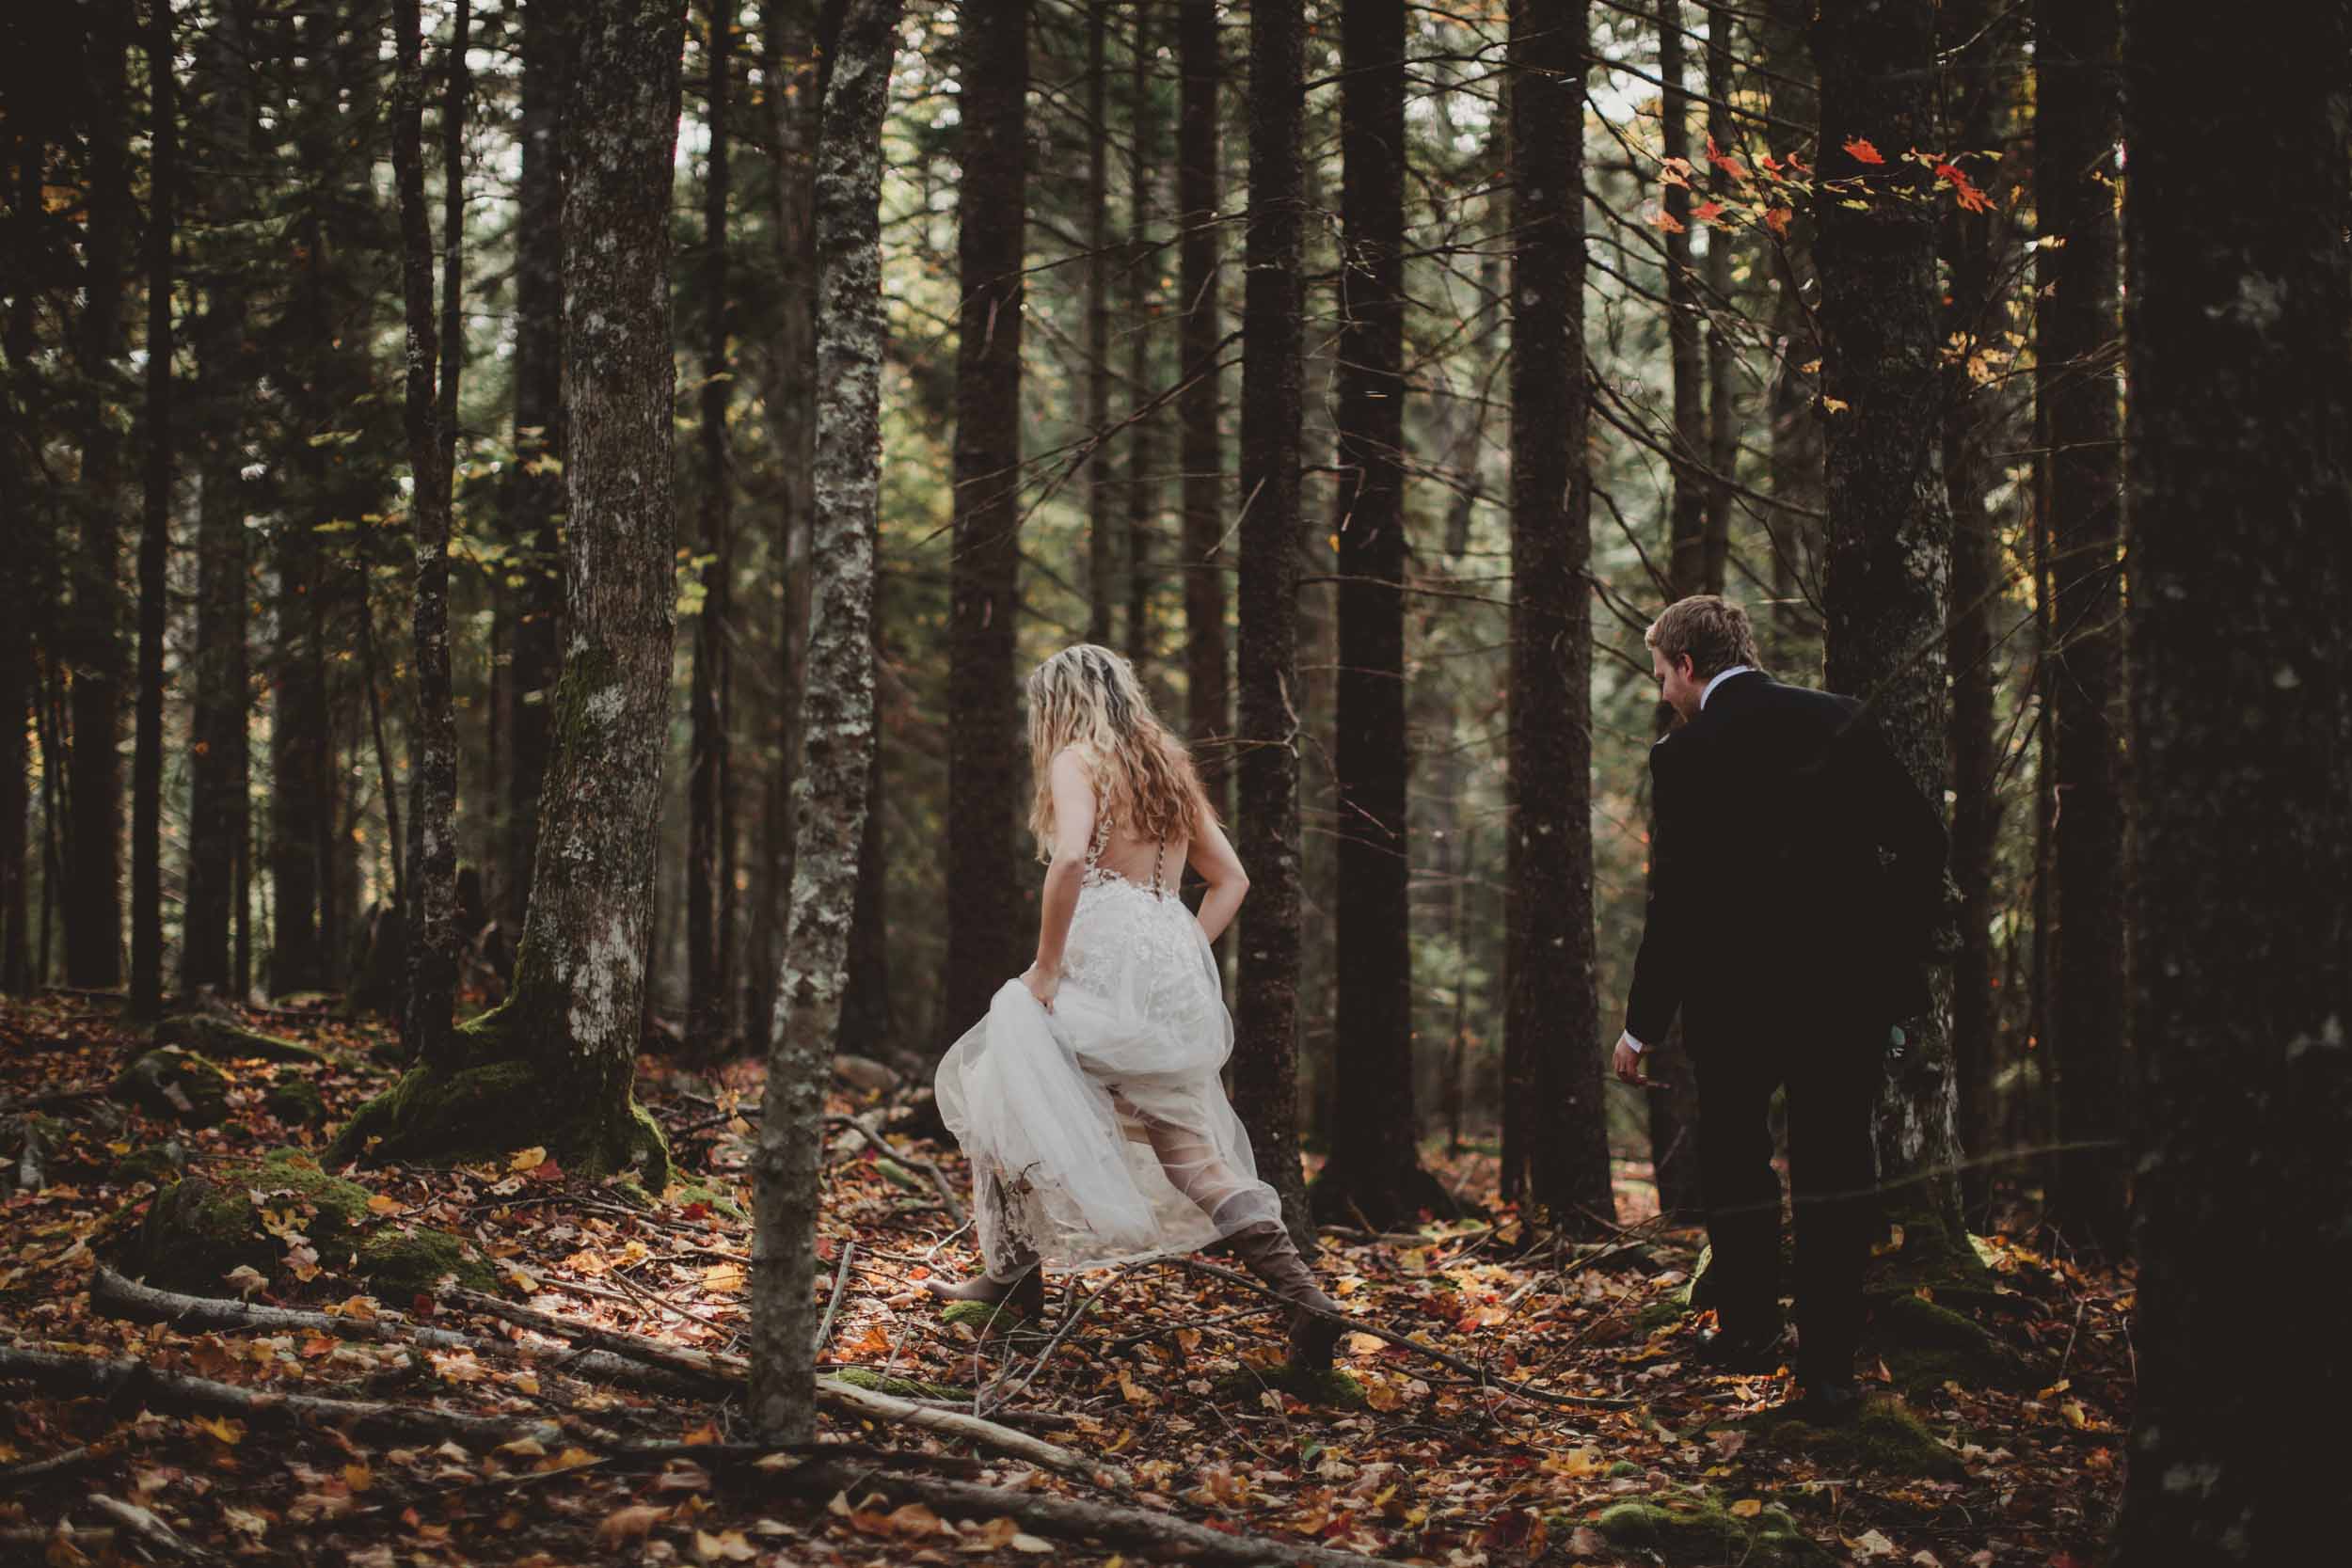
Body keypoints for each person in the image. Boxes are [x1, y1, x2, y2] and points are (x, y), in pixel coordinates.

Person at [927, 644, 1345, 1371]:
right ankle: (1306, 1298)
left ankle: (1013, 1278)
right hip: (1171, 975)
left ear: (1062, 703)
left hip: (1098, 962)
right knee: (1194, 1155)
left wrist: (1049, 967)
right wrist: (1182, 947)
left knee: (996, 1074)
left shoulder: (1079, 760)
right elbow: (1232, 878)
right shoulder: (1167, 764)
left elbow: (1066, 861)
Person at [1613, 595, 1947, 1418]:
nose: (1663, 693)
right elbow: (1923, 840)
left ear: (1688, 666)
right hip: (1845, 993)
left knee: (1735, 1160)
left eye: (1662, 675)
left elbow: (1676, 903)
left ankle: (1750, 1329)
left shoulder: (1685, 756)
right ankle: (1829, 1369)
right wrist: (1886, 942)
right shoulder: (1841, 718)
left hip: (1735, 1002)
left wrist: (1640, 1025)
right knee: (1838, 1167)